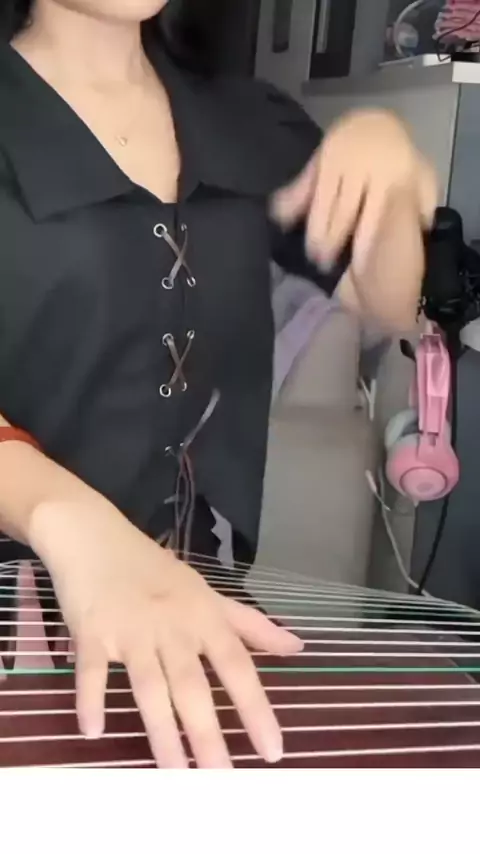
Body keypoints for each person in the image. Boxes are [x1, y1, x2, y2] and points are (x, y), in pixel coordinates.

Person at [0, 0, 437, 769]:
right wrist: (69, 521)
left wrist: (391, 176)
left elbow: (385, 302)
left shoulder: (246, 117)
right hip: (23, 632)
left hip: (199, 608)